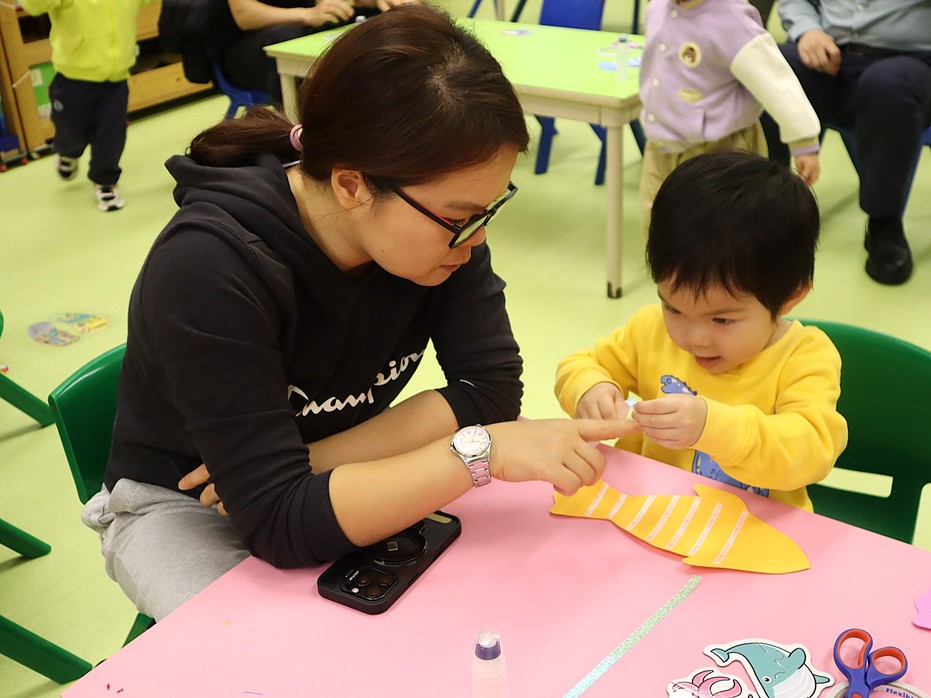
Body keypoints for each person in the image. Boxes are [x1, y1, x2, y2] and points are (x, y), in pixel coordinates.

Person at [79, 5, 635, 622]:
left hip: (305, 476)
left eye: (487, 211)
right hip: (186, 501)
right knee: (275, 655)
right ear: (351, 185)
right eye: (460, 217)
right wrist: (476, 452)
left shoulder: (437, 233)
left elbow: (489, 390)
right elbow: (282, 524)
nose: (476, 239)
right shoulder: (210, 266)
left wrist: (314, 463)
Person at [556, 150, 848, 511]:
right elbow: (580, 365)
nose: (693, 338)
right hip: (649, 513)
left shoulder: (805, 357)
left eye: (721, 320)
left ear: (790, 296)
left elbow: (812, 450)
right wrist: (591, 389)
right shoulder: (650, 329)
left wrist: (714, 427)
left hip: (753, 530)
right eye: (673, 308)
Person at [761, 0, 931, 286]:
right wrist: (808, 30)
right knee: (762, 65)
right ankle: (766, 207)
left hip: (912, 60)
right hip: (828, 54)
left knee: (887, 85)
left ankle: (884, 223)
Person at [637, 0, 821, 233]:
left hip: (721, 151)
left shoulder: (732, 19)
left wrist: (804, 141)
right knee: (657, 224)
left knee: (719, 234)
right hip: (660, 144)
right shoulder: (657, 8)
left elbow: (775, 81)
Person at [19, 0, 154, 211]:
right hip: (72, 78)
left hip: (115, 80)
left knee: (112, 134)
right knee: (71, 132)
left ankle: (105, 181)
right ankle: (68, 153)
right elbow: (34, 6)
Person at [207, 0, 413, 104]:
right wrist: (307, 14)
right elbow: (244, 15)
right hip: (244, 44)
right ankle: (298, 141)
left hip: (303, 27)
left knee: (374, 23)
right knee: (287, 38)